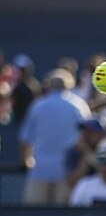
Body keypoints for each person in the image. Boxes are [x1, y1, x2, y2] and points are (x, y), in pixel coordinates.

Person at [19, 68, 92, 206]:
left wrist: (26, 162)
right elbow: (87, 137)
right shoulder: (78, 106)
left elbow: (25, 139)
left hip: (40, 171)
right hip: (66, 174)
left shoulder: (38, 106)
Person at [65, 116, 106, 190]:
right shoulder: (74, 152)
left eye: (90, 133)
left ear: (102, 135)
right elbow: (72, 183)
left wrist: (93, 158)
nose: (85, 136)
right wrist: (85, 158)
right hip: (84, 194)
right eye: (84, 132)